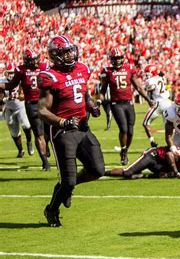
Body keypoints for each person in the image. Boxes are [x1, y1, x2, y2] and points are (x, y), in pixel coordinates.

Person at [38, 35, 104, 227]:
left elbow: (84, 94)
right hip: (63, 132)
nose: (70, 55)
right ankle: (52, 209)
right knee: (67, 180)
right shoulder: (50, 76)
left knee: (97, 170)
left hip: (83, 128)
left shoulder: (82, 69)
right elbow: (42, 110)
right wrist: (62, 122)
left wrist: (92, 107)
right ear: (55, 55)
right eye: (65, 52)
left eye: (70, 50)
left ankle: (69, 187)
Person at [97, 48, 154, 165]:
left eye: (119, 58)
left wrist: (148, 100)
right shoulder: (107, 71)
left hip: (128, 103)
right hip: (116, 104)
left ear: (123, 58)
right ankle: (123, 151)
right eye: (115, 58)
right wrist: (98, 101)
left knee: (131, 132)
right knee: (123, 129)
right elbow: (102, 90)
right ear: (111, 59)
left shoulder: (130, 68)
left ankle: (125, 150)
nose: (117, 60)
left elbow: (138, 87)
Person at [0, 49, 51, 170]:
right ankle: (45, 162)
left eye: (36, 59)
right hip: (32, 104)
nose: (35, 62)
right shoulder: (21, 70)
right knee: (38, 134)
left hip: (46, 102)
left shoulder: (44, 66)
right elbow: (11, 85)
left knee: (48, 131)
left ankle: (46, 147)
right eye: (33, 60)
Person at [104, 146, 180, 179]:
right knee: (127, 172)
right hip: (152, 156)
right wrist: (176, 172)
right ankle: (101, 172)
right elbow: (169, 154)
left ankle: (141, 176)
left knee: (165, 175)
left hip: (159, 162)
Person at [0, 64, 34, 158]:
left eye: (12, 73)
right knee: (14, 131)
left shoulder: (21, 80)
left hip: (20, 107)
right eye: (9, 72)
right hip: (9, 108)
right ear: (5, 72)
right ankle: (20, 150)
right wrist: (6, 99)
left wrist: (18, 96)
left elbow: (24, 95)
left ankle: (29, 142)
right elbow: (0, 99)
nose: (11, 75)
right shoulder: (2, 82)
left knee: (26, 126)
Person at [142, 65, 172, 147]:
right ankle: (171, 145)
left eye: (149, 73)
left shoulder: (150, 81)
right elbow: (162, 74)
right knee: (168, 125)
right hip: (169, 102)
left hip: (159, 103)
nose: (147, 75)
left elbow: (149, 88)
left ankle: (152, 142)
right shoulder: (161, 77)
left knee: (145, 123)